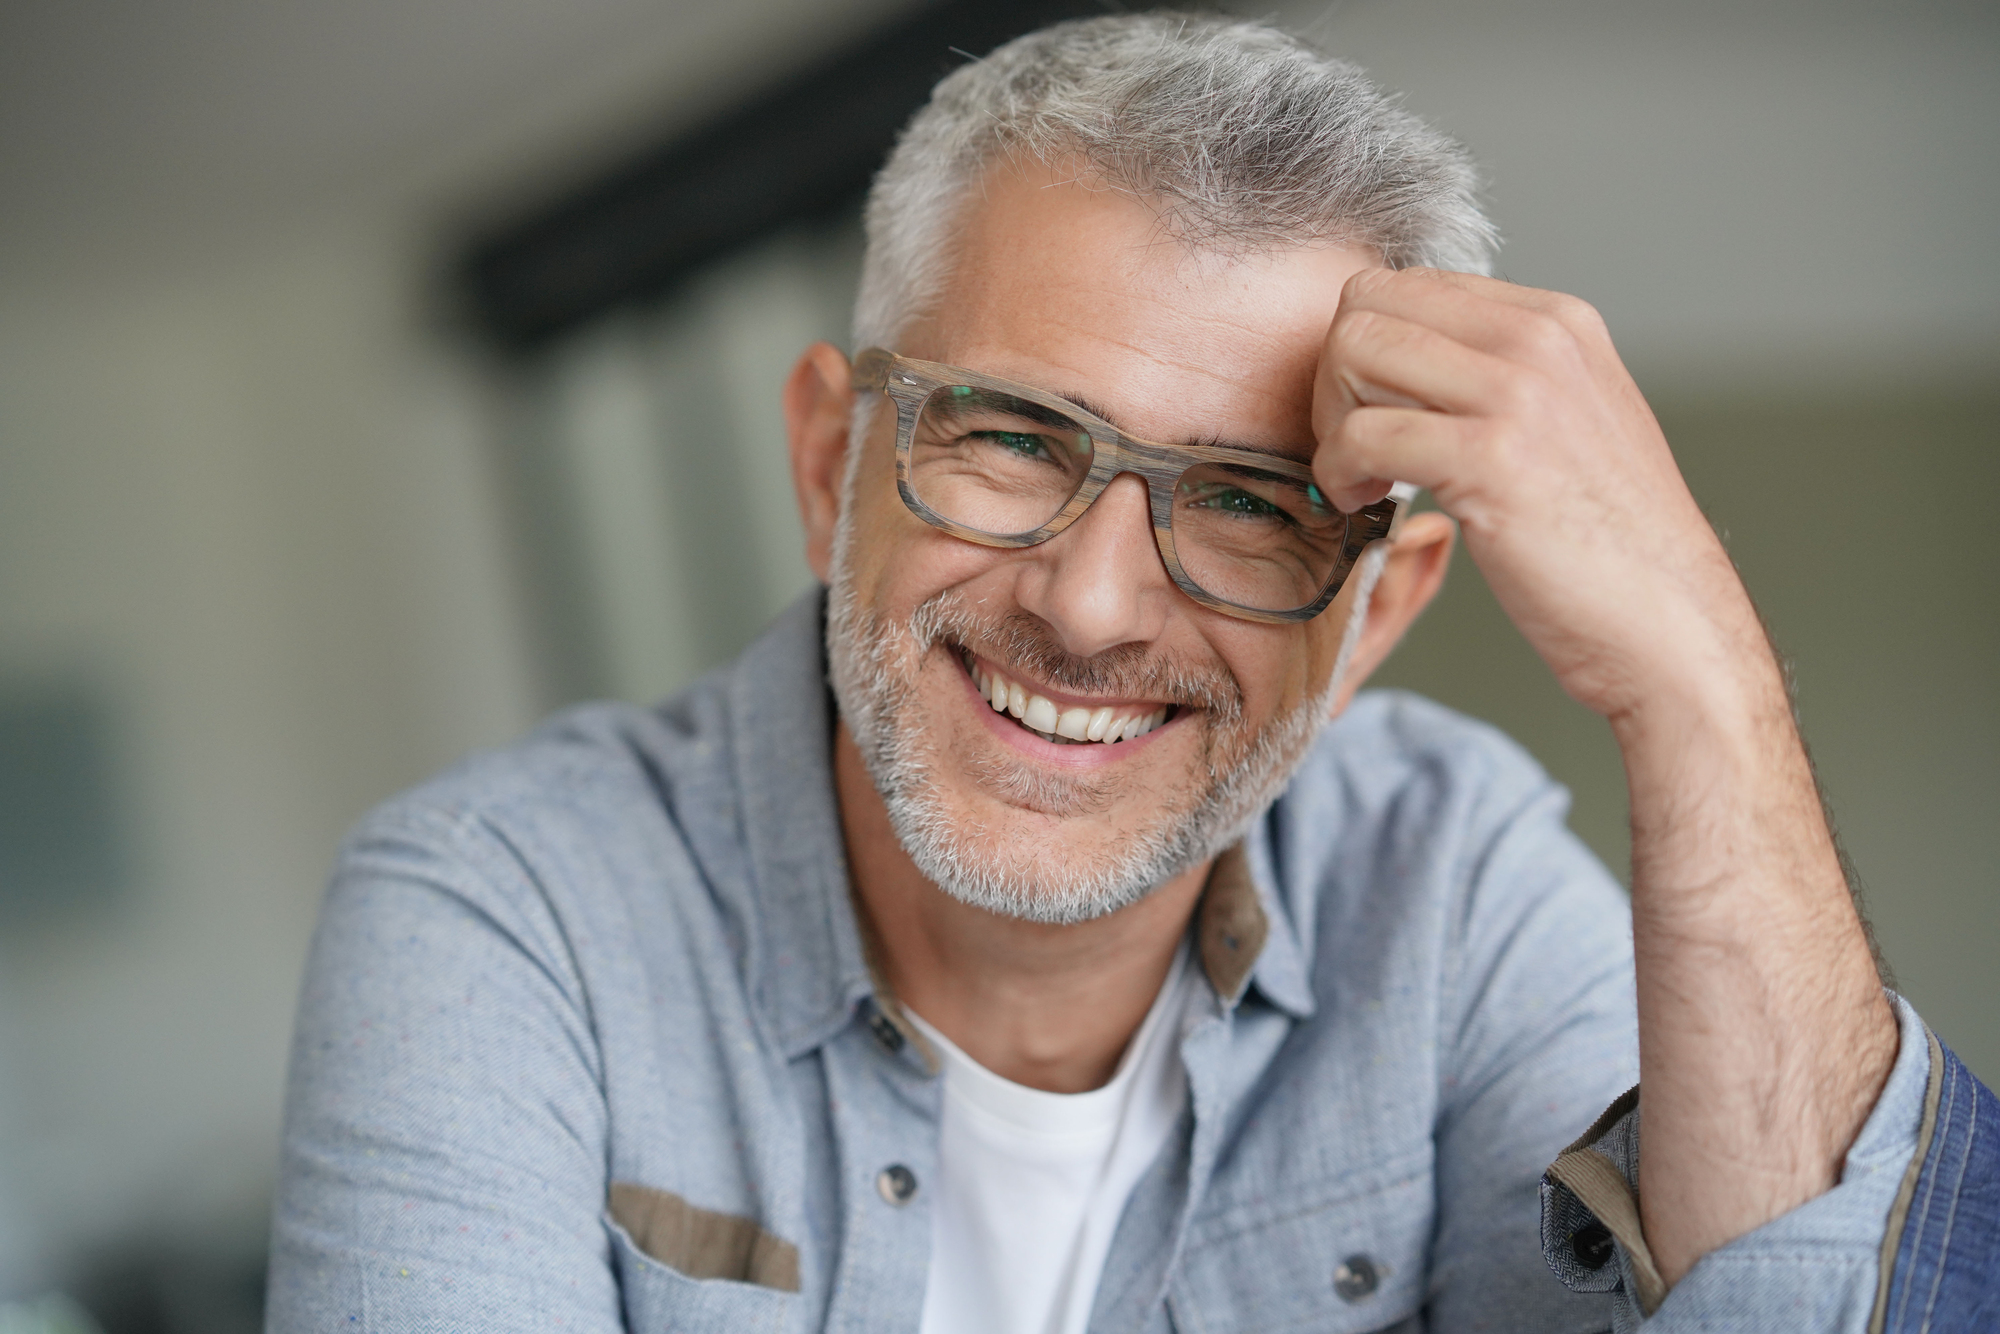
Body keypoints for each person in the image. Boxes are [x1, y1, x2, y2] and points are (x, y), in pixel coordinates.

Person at [266, 14, 1995, 1333]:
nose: (1094, 608)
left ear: (1377, 615)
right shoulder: (504, 909)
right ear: (824, 465)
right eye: (1014, 438)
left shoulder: (1448, 880)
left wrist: (1701, 685)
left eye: (1249, 503)